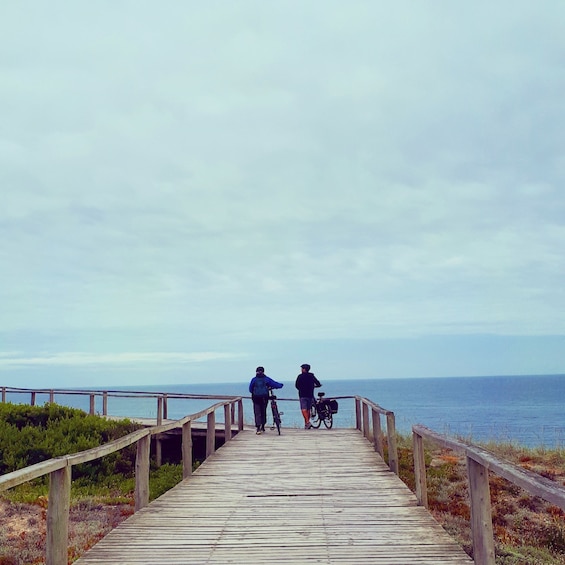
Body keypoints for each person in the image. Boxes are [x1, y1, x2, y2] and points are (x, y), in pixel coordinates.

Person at [249, 366, 284, 434]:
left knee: (257, 412)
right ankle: (263, 426)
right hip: (264, 398)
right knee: (263, 411)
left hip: (255, 398)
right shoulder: (266, 379)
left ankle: (258, 427)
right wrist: (281, 385)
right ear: (263, 371)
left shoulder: (254, 379)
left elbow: (250, 389)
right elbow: (275, 384)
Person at [295, 363, 321, 429]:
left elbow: (296, 385)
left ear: (304, 369)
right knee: (308, 409)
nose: (301, 370)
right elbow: (318, 383)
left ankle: (307, 422)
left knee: (303, 409)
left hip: (302, 394)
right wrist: (314, 386)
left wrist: (301, 389)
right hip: (310, 394)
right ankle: (307, 423)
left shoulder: (300, 376)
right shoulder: (311, 376)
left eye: (302, 368)